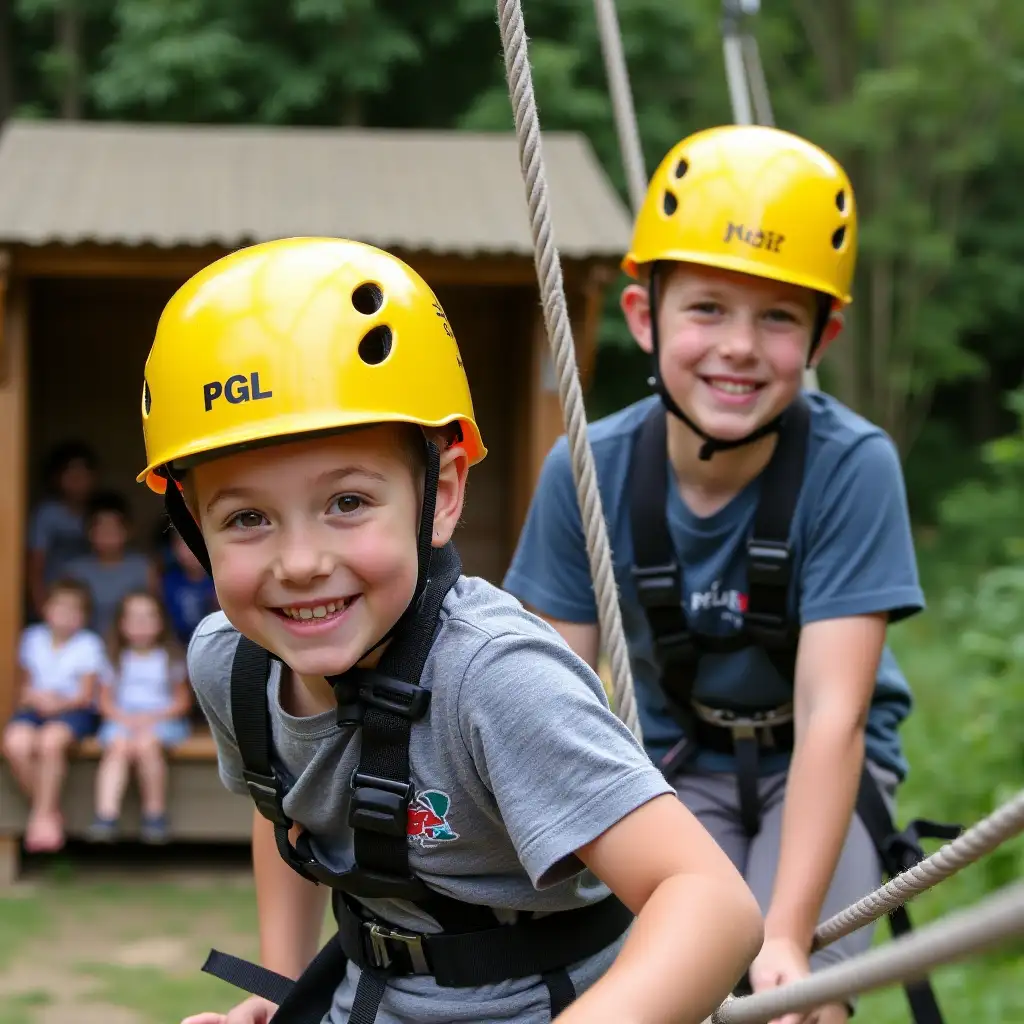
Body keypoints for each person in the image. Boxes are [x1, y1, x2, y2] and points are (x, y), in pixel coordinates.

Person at [134, 237, 763, 1024]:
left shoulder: (495, 679)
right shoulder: (234, 668)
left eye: (347, 503)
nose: (298, 563)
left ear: (444, 493)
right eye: (248, 518)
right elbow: (287, 809)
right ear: (195, 528)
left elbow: (709, 902)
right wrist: (282, 992)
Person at [504, 125, 931, 1024]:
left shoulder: (853, 467)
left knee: (796, 999)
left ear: (823, 334)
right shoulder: (589, 471)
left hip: (819, 772)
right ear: (643, 315)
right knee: (657, 990)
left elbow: (832, 717)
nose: (739, 346)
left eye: (777, 316)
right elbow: (543, 700)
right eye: (707, 309)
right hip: (670, 764)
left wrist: (786, 936)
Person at [1, 578, 105, 852]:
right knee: (15, 742)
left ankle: (39, 817)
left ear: (84, 617)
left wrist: (56, 705)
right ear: (46, 609)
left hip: (75, 711)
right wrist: (35, 698)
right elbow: (24, 684)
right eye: (60, 609)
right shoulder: (32, 637)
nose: (66, 616)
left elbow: (85, 695)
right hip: (36, 707)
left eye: (74, 611)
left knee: (50, 742)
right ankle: (48, 812)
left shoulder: (89, 644)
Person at [88, 591, 193, 845]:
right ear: (122, 624)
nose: (142, 624)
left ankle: (154, 815)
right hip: (122, 720)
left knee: (147, 745)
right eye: (134, 619)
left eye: (148, 617)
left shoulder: (170, 657)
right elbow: (103, 701)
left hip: (163, 722)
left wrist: (152, 717)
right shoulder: (114, 658)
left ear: (160, 623)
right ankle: (106, 815)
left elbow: (182, 702)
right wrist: (124, 718)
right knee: (118, 746)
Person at [66, 490, 160, 637]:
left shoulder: (144, 567)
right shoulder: (75, 571)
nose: (108, 533)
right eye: (101, 528)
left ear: (129, 531)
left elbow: (155, 614)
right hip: (86, 646)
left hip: (132, 647)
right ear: (89, 532)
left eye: (114, 527)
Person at [26, 441, 98, 618]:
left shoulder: (98, 511)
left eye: (83, 474)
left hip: (89, 598)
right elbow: (35, 564)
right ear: (56, 477)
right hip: (52, 599)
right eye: (71, 474)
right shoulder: (47, 513)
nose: (78, 480)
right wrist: (40, 604)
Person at [159, 527, 220, 647]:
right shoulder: (168, 580)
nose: (190, 551)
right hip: (177, 647)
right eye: (184, 545)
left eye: (197, 544)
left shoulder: (221, 579)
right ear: (174, 548)